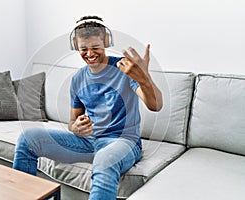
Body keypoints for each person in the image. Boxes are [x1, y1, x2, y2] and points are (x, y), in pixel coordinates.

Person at [13, 15, 163, 200]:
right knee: (28, 138)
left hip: (123, 142)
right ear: (77, 47)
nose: (90, 54)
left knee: (105, 160)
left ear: (106, 43)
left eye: (95, 47)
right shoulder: (77, 79)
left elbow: (155, 105)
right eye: (84, 49)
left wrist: (143, 78)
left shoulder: (125, 67)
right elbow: (72, 121)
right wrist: (76, 127)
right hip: (88, 142)